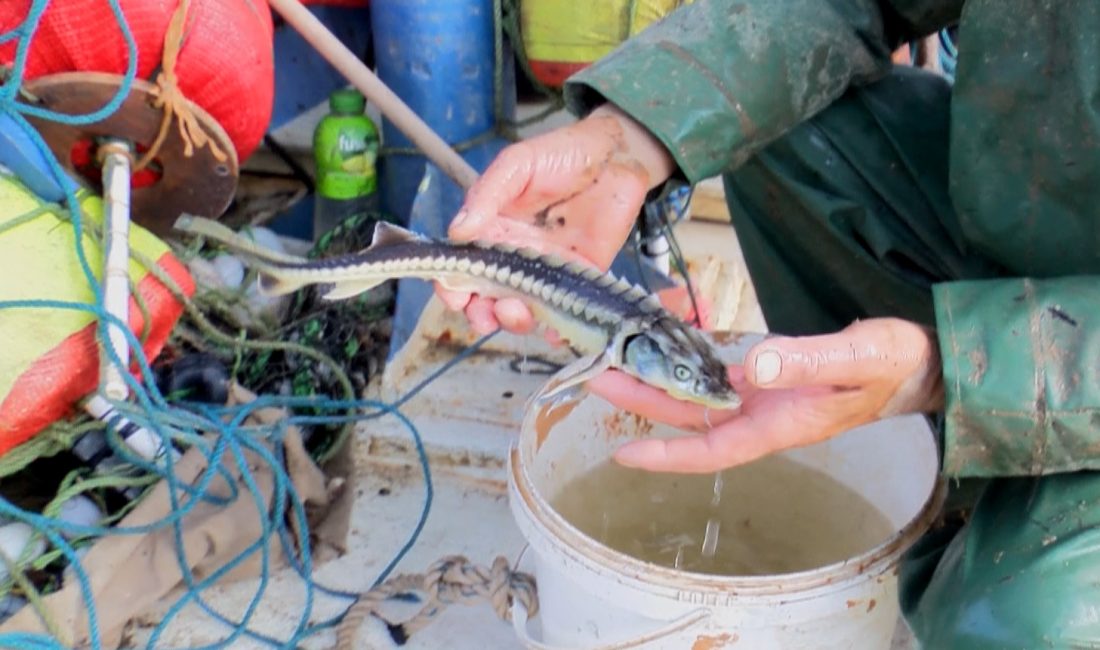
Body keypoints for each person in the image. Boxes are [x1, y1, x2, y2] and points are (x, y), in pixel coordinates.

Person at [435, 1, 1100, 647]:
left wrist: (953, 370)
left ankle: (971, 514)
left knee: (1022, 623)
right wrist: (632, 138)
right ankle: (940, 462)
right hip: (1023, 215)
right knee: (763, 117)